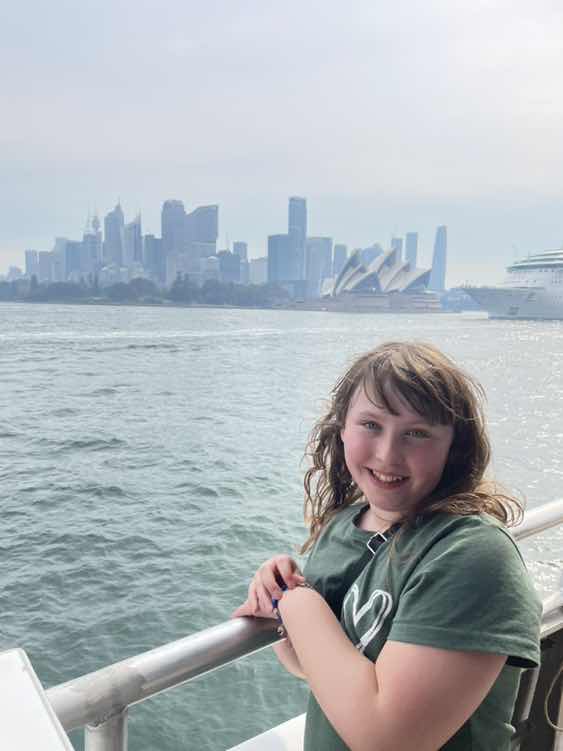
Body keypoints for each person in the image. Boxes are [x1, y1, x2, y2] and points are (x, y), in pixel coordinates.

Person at [233, 341, 541, 751]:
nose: (387, 454)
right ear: (342, 428)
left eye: (416, 433)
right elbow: (317, 667)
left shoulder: (472, 553)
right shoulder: (343, 525)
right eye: (370, 425)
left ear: (454, 448)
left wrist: (296, 602)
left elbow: (389, 741)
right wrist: (276, 593)